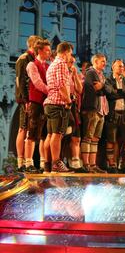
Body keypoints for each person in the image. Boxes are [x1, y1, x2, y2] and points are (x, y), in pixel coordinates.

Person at [44, 42, 73, 173]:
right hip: (58, 104)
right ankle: (56, 163)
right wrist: (68, 101)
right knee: (57, 134)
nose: (70, 57)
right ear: (66, 52)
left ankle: (48, 164)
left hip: (50, 103)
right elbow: (61, 85)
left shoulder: (52, 65)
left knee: (50, 135)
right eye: (70, 54)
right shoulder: (61, 64)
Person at [15, 35, 42, 172]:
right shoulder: (24, 58)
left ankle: (27, 162)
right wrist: (25, 100)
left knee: (29, 129)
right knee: (23, 128)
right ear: (33, 45)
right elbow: (20, 81)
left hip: (32, 99)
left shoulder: (34, 59)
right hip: (26, 99)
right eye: (39, 45)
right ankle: (21, 163)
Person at [105, 59, 125, 173]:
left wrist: (118, 91)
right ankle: (112, 164)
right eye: (119, 66)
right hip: (112, 114)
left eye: (122, 67)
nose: (121, 68)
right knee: (111, 140)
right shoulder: (108, 79)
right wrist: (123, 93)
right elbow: (109, 93)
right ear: (113, 67)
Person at [24, 38, 51, 173]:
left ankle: (42, 163)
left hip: (46, 103)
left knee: (44, 135)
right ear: (39, 51)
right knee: (32, 132)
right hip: (36, 102)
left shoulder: (48, 66)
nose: (49, 53)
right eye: (47, 50)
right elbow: (37, 83)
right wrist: (51, 90)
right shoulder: (32, 65)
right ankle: (28, 162)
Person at [80, 53, 110, 173]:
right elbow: (96, 88)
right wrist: (105, 87)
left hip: (101, 110)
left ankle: (93, 165)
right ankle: (86, 164)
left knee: (95, 139)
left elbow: (110, 90)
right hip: (92, 109)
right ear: (96, 61)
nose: (105, 63)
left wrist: (104, 86)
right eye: (102, 61)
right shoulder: (91, 73)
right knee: (88, 137)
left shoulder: (101, 75)